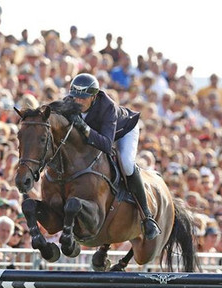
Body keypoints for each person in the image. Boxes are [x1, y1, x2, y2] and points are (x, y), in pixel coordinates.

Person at [66, 73, 160, 240]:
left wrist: (84, 128)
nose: (78, 102)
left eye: (83, 98)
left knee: (126, 164)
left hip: (124, 131)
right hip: (100, 134)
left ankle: (147, 217)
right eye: (75, 97)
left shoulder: (107, 107)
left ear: (93, 97)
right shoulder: (70, 101)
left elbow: (106, 145)